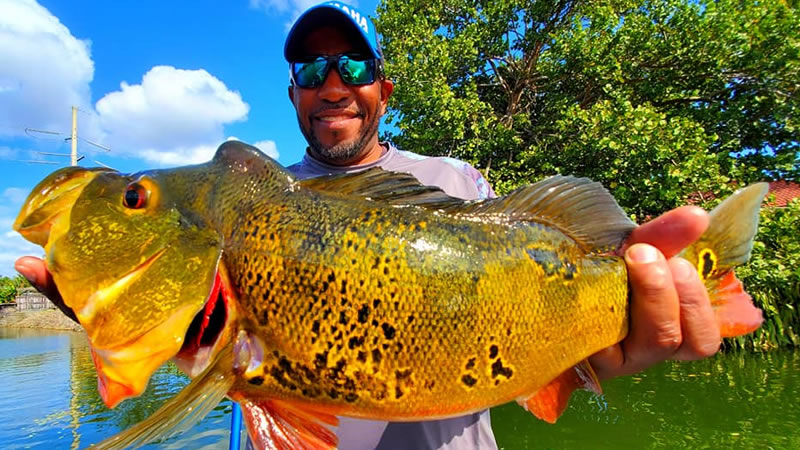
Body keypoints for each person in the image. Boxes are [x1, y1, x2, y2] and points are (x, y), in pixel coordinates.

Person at [15, 2, 721, 449]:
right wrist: (145, 323)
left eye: (353, 64)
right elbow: (220, 350)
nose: (332, 82)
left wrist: (600, 336)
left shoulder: (456, 181)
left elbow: (526, 292)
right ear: (292, 91)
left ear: (383, 86)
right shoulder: (250, 204)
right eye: (310, 67)